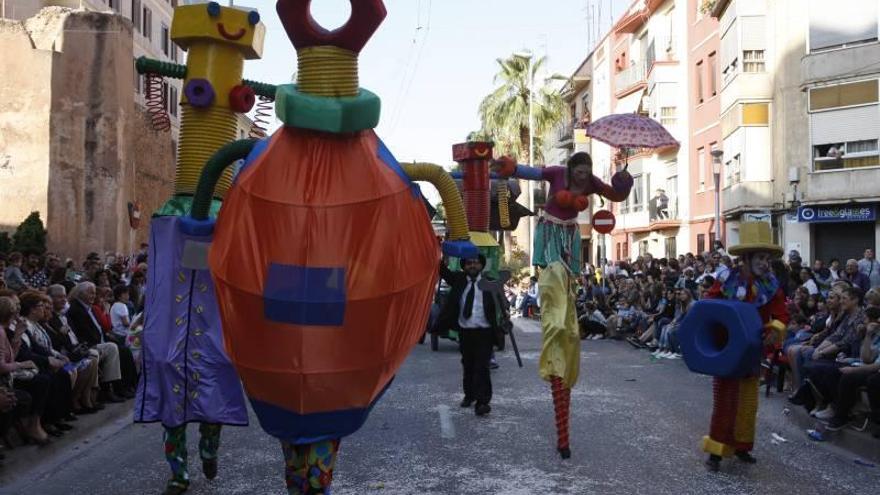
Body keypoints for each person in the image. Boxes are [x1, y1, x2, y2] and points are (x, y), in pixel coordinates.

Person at [700, 222, 789, 472]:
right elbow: (710, 307)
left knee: (749, 402)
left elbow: (781, 313)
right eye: (760, 257)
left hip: (753, 350)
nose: (765, 263)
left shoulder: (771, 284)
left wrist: (775, 330)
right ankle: (717, 451)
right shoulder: (726, 278)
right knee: (725, 399)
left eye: (767, 258)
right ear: (747, 258)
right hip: (727, 349)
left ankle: (742, 447)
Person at [438, 254, 500, 417]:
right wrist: (439, 253)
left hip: (484, 332)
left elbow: (499, 304)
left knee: (482, 367)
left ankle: (482, 402)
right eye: (469, 263)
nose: (472, 266)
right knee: (468, 364)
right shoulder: (458, 280)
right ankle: (469, 395)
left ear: (481, 265)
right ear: (464, 266)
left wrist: (503, 323)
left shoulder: (489, 283)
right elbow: (442, 271)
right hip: (465, 331)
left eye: (476, 263)